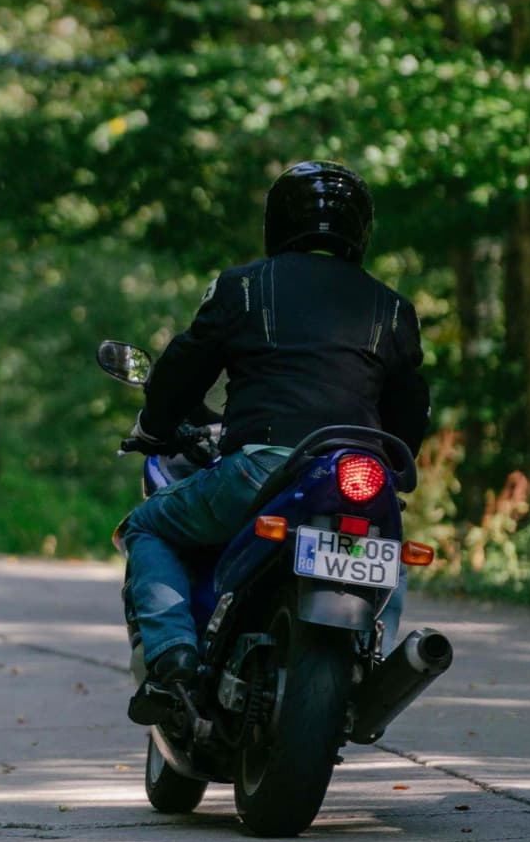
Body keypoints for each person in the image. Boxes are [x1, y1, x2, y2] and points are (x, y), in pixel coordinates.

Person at [120, 160, 431, 723]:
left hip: (263, 466)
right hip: (361, 474)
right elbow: (410, 411)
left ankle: (173, 661)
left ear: (277, 220)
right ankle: (373, 662)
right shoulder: (393, 308)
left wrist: (155, 425)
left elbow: (183, 367)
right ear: (360, 228)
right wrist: (397, 463)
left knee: (145, 525)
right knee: (387, 551)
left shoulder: (244, 285)